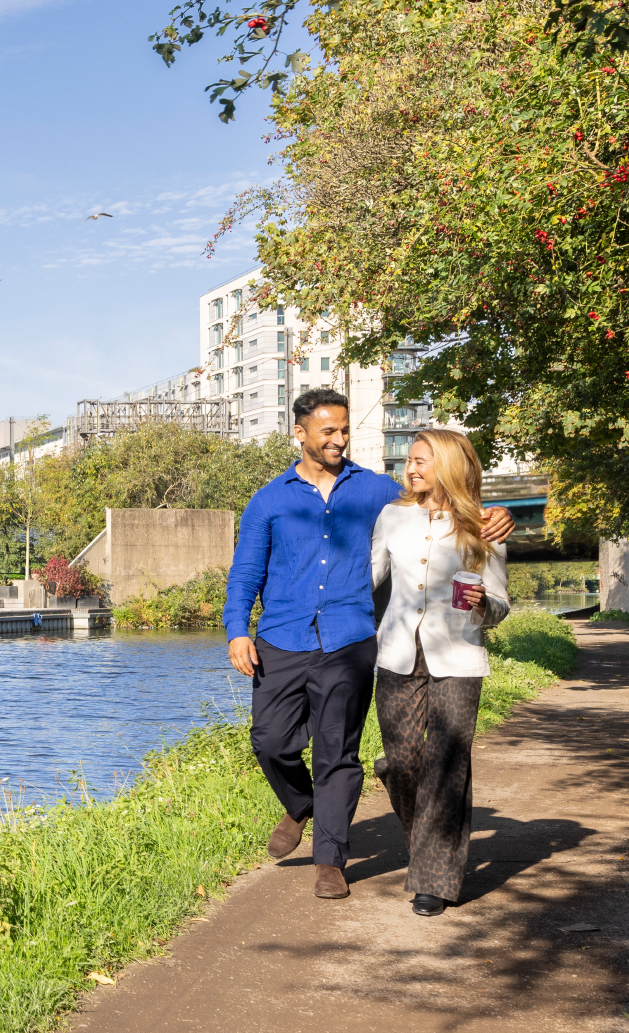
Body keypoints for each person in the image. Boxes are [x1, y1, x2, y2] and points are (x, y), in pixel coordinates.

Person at [224, 387, 514, 899]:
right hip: (282, 636)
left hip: (351, 639)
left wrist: (496, 516)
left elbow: (442, 510)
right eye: (328, 432)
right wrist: (237, 630)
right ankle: (302, 804)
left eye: (344, 430)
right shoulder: (269, 500)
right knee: (270, 742)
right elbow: (245, 572)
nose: (339, 440)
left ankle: (331, 861)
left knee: (339, 751)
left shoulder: (376, 492)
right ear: (301, 434)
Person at [370, 427, 510, 915]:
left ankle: (435, 877)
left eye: (422, 461)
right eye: (409, 460)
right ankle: (430, 848)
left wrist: (481, 605)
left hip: (458, 659)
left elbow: (499, 604)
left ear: (449, 465)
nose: (411, 468)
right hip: (395, 656)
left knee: (447, 764)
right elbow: (367, 579)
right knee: (403, 762)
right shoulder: (392, 517)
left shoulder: (483, 527)